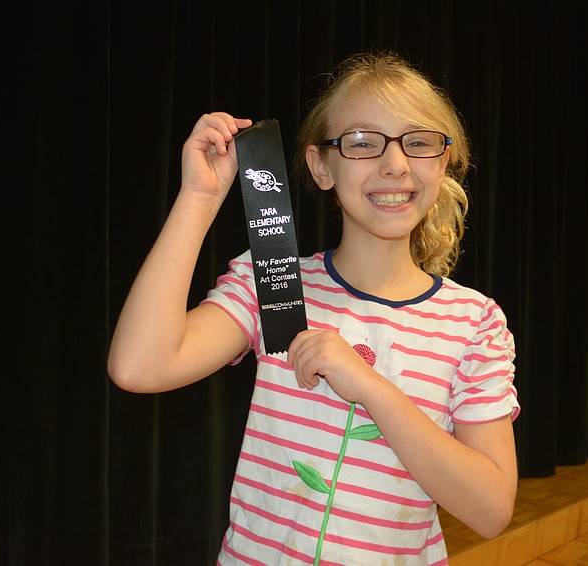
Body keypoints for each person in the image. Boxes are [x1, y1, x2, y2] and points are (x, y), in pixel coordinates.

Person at [108, 51, 519, 564]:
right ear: (320, 166)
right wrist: (199, 198)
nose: (395, 164)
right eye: (363, 143)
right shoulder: (277, 284)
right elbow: (139, 365)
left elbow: (491, 509)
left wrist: (370, 387)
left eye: (418, 142)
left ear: (442, 163)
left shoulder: (474, 322)